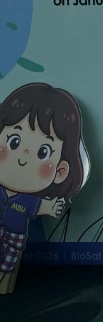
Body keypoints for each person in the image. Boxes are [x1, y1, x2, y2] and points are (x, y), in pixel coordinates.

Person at [0, 83, 90, 289]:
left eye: (43, 152)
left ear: (61, 171)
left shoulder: (28, 200)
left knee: (6, 269)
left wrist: (50, 207)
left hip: (13, 240)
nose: (23, 157)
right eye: (14, 142)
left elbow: (40, 206)